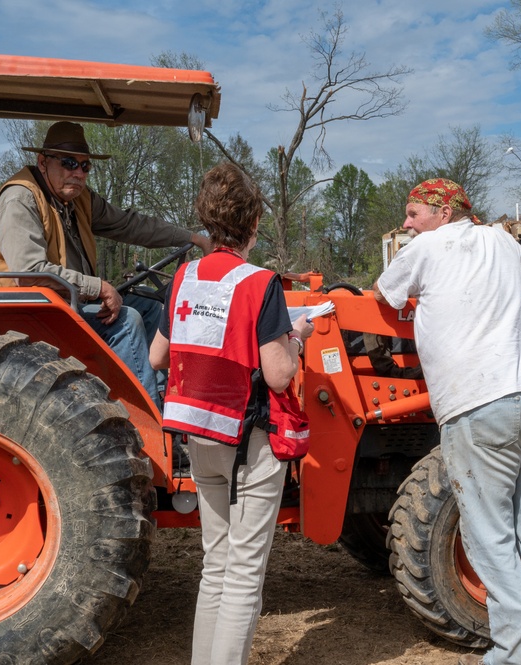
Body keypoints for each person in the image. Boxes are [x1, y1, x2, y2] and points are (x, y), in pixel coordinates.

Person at [373, 178, 521, 665]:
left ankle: (517, 656)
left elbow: (385, 297)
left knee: (489, 537)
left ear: (443, 212)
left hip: (479, 406)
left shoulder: (424, 248)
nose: (406, 223)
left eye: (413, 213)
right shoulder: (503, 240)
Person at [149, 162, 312, 665]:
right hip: (250, 440)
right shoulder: (260, 284)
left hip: (199, 437)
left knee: (215, 564)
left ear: (208, 217)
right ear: (254, 224)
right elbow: (280, 374)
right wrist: (298, 337)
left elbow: (157, 357)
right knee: (244, 572)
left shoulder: (185, 276)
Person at [0, 121, 211, 407]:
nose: (78, 173)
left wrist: (191, 238)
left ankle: (165, 400)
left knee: (151, 308)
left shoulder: (78, 200)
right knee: (127, 323)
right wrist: (98, 287)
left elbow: (131, 225)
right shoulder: (21, 198)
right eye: (68, 163)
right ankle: (149, 425)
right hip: (34, 312)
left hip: (67, 302)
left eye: (85, 166)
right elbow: (28, 273)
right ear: (43, 162)